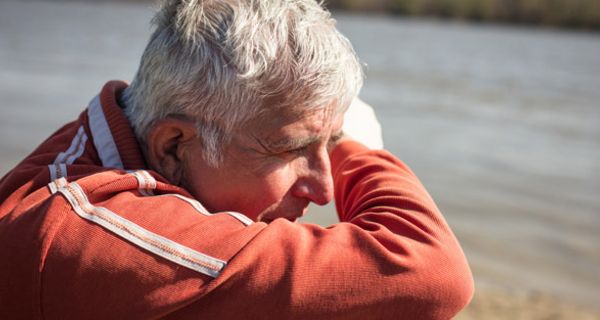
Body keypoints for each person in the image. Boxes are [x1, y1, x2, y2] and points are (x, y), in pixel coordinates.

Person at [0, 0, 473, 318]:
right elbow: (430, 274)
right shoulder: (85, 230)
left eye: (330, 144)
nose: (325, 190)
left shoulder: (108, 138)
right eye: (289, 150)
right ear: (172, 146)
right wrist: (361, 152)